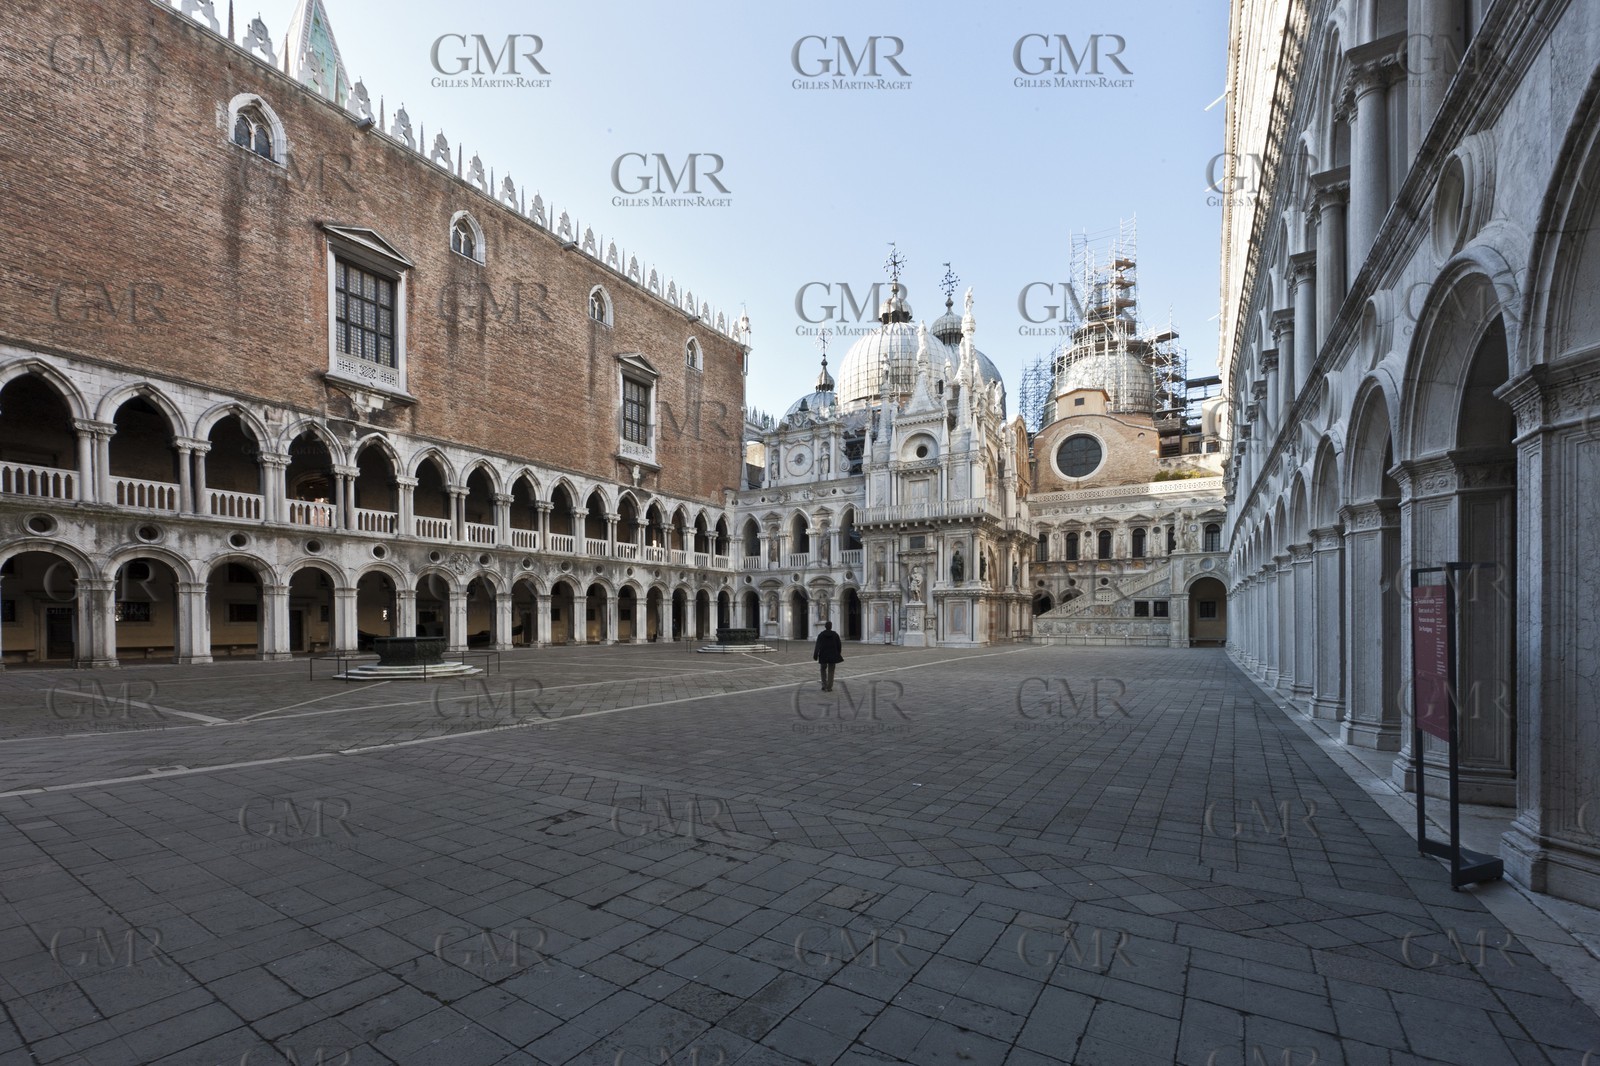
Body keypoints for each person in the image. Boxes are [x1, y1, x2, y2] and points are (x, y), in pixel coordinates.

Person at [813, 620, 843, 691]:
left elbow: (817, 646)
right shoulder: (835, 635)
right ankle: (829, 687)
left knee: (823, 669)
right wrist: (838, 653)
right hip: (832, 655)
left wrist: (815, 655)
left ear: (825, 626)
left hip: (823, 655)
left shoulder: (821, 635)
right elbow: (839, 645)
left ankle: (824, 685)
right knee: (831, 671)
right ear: (831, 627)